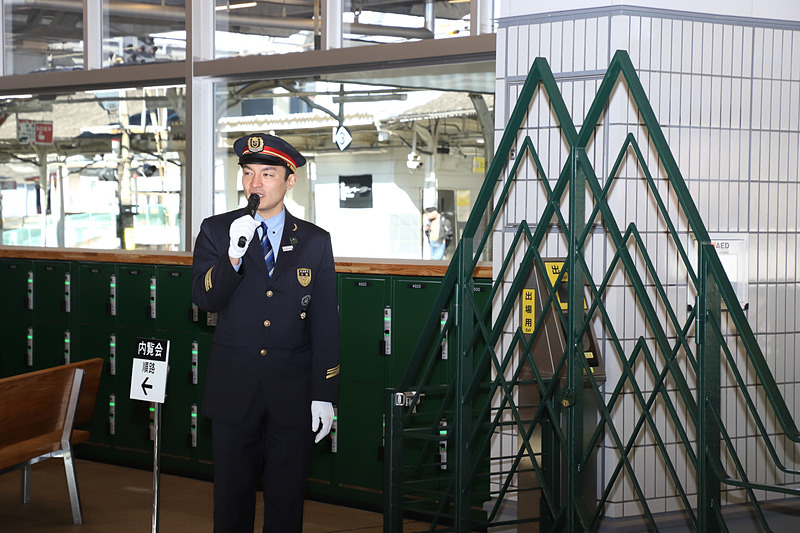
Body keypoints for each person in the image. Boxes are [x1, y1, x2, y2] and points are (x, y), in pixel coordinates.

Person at [191, 133, 340, 533]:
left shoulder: (314, 240)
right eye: (248, 173)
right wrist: (233, 256)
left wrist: (325, 393)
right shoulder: (217, 230)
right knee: (231, 499)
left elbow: (326, 322)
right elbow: (206, 300)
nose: (255, 184)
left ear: (290, 181)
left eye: (268, 174)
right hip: (233, 388)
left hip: (291, 391)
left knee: (286, 499)